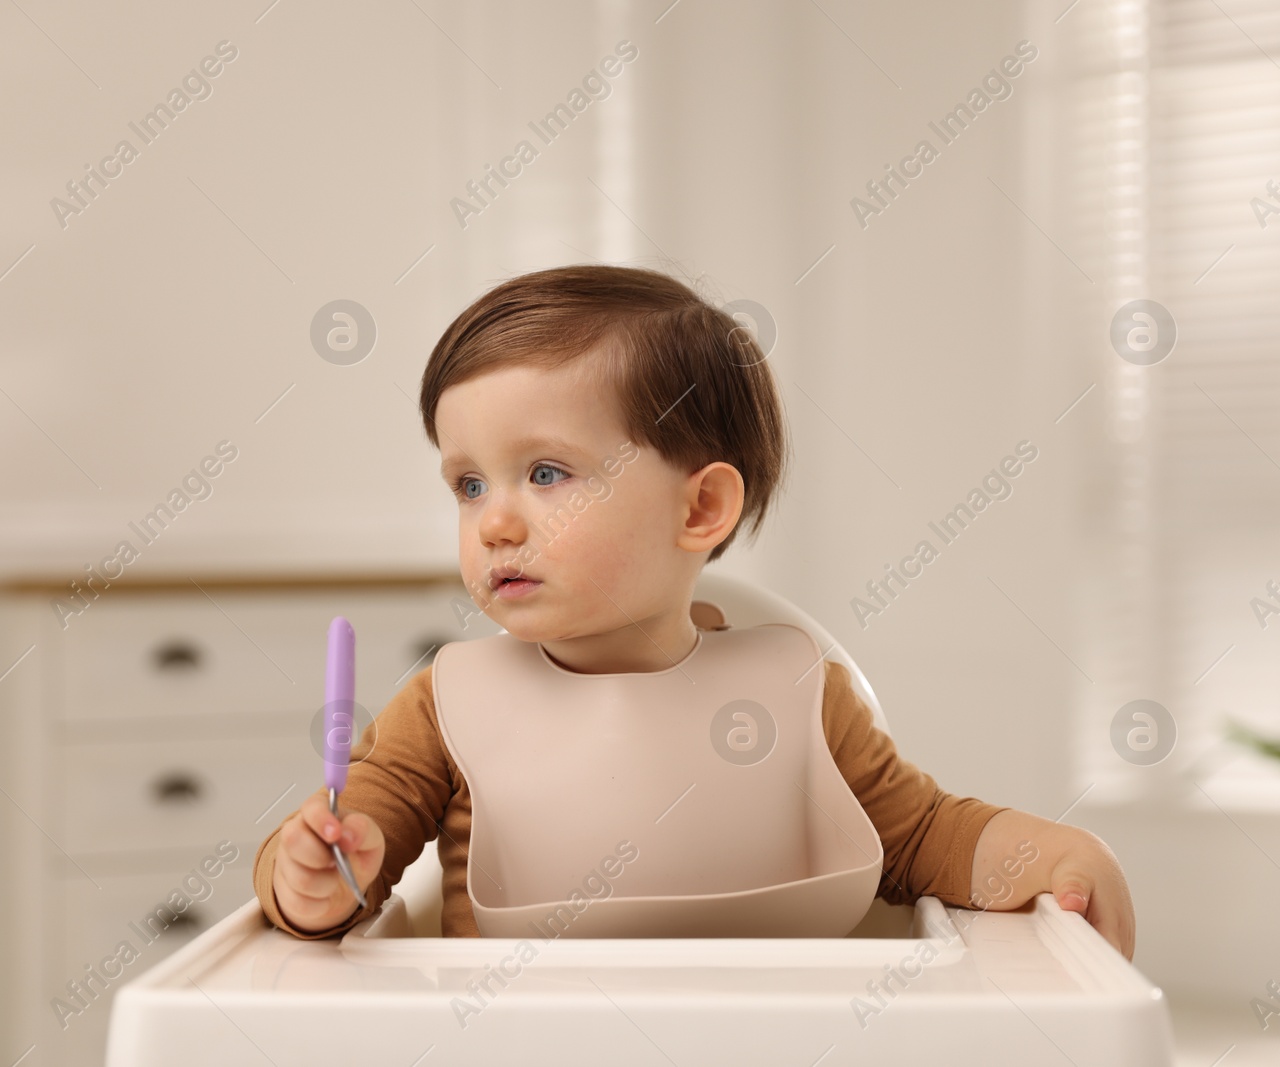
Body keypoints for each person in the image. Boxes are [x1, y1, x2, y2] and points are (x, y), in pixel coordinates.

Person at [253, 264, 1135, 958]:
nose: (494, 520)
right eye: (469, 483)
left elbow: (925, 840)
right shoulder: (442, 710)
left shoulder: (799, 697)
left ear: (700, 508)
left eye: (547, 473)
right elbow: (346, 850)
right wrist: (313, 880)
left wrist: (1053, 857)